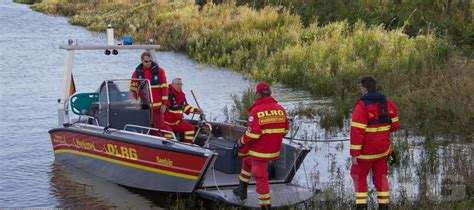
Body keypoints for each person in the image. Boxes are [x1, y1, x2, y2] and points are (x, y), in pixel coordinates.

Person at [233, 82, 289, 209]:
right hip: (273, 149)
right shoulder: (280, 109)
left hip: (260, 151)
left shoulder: (256, 110)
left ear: (258, 94)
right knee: (247, 161)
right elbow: (285, 130)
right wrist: (272, 139)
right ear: (269, 93)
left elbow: (252, 135)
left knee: (260, 176)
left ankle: (265, 205)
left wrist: (240, 142)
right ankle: (241, 190)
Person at [350, 76, 400, 210]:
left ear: (364, 88)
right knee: (381, 178)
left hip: (365, 154)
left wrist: (354, 154)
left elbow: (357, 132)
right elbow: (395, 126)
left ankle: (361, 207)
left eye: (361, 88)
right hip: (382, 151)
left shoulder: (361, 106)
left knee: (358, 177)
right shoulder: (388, 103)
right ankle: (383, 206)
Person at [129, 52, 172, 137]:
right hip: (144, 107)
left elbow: (164, 88)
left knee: (158, 127)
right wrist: (133, 100)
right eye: (146, 61)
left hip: (157, 107)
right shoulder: (136, 73)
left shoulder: (159, 71)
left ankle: (160, 145)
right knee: (144, 127)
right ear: (142, 61)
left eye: (150, 61)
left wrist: (164, 104)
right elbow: (133, 89)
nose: (148, 63)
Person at [163, 78, 201, 143]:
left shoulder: (182, 95)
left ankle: (186, 146)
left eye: (181, 84)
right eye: (177, 84)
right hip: (166, 122)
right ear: (172, 85)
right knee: (169, 136)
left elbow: (185, 106)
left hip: (177, 122)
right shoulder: (166, 94)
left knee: (190, 129)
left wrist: (196, 110)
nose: (179, 86)